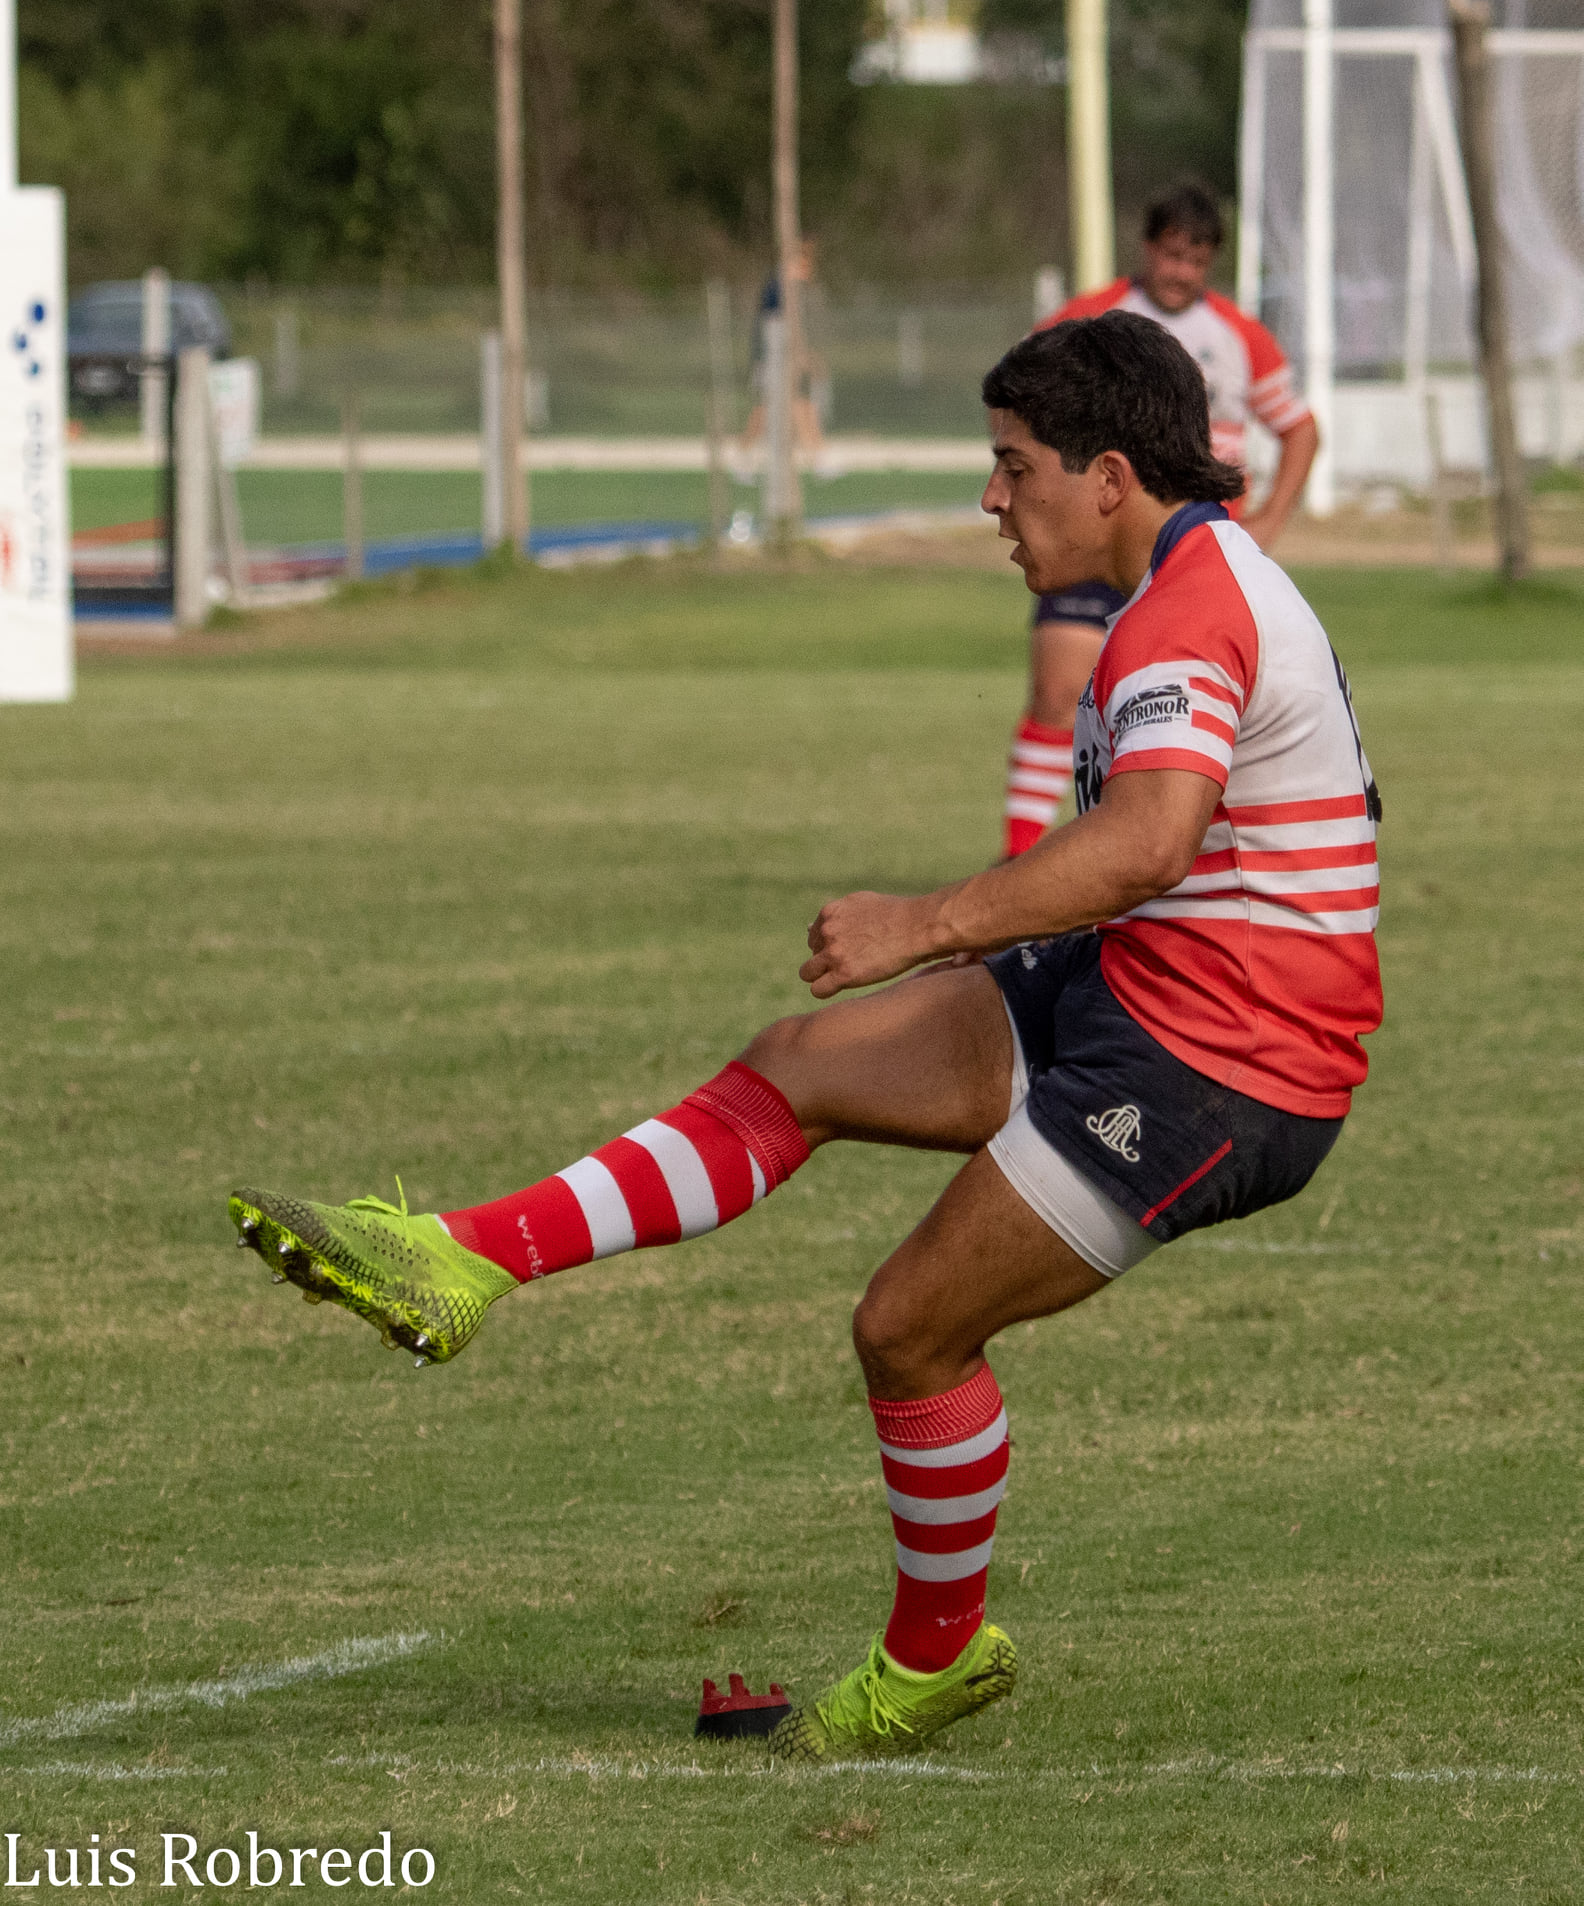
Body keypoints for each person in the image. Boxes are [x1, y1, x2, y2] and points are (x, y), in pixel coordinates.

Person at [228, 312, 1380, 1766]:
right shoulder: (1192, 581)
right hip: (1143, 990)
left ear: (1105, 474)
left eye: (1010, 467)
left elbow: (1149, 841)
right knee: (799, 1062)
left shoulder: (1189, 606)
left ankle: (931, 1664)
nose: (989, 500)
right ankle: (461, 1260)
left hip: (1221, 1063)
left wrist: (928, 920)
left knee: (909, 1326)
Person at [1003, 181, 1320, 858]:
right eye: (1171, 254)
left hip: (1187, 554)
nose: (1181, 272)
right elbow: (1018, 397)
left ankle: (1174, 853)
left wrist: (1268, 520)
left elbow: (1299, 428)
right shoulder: (1093, 318)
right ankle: (1021, 854)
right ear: (1148, 249)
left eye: (1196, 260)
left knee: (1177, 713)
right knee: (1059, 694)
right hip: (1093, 541)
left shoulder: (1239, 336)